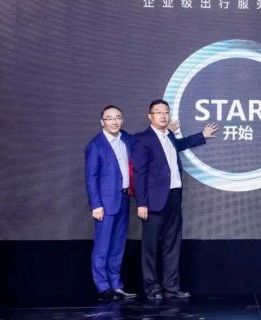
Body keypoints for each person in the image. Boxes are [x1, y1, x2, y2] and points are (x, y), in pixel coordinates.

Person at [133, 99, 218, 300]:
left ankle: (171, 287)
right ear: (150, 116)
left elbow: (180, 145)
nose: (163, 116)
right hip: (153, 202)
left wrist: (201, 136)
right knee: (150, 247)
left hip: (173, 197)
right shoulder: (143, 139)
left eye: (166, 112)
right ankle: (152, 287)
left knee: (172, 244)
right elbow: (139, 174)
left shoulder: (169, 135)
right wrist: (142, 203)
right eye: (158, 112)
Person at [84, 105, 137, 301]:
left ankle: (116, 285)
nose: (114, 121)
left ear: (122, 120)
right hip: (105, 204)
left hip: (124, 199)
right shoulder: (96, 145)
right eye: (109, 118)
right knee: (102, 246)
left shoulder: (127, 139)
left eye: (118, 117)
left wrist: (169, 132)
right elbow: (91, 178)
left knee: (117, 246)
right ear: (102, 122)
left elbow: (146, 141)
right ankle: (103, 286)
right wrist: (95, 205)